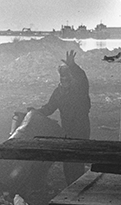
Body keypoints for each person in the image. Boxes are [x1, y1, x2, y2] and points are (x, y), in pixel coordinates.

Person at [35, 50, 90, 185]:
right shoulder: (58, 92)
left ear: (71, 78)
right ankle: (70, 185)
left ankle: (78, 186)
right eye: (62, 78)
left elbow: (82, 77)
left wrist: (73, 66)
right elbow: (49, 107)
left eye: (67, 78)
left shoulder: (79, 89)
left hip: (81, 128)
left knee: (77, 159)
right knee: (67, 160)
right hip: (67, 130)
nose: (64, 80)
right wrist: (36, 112)